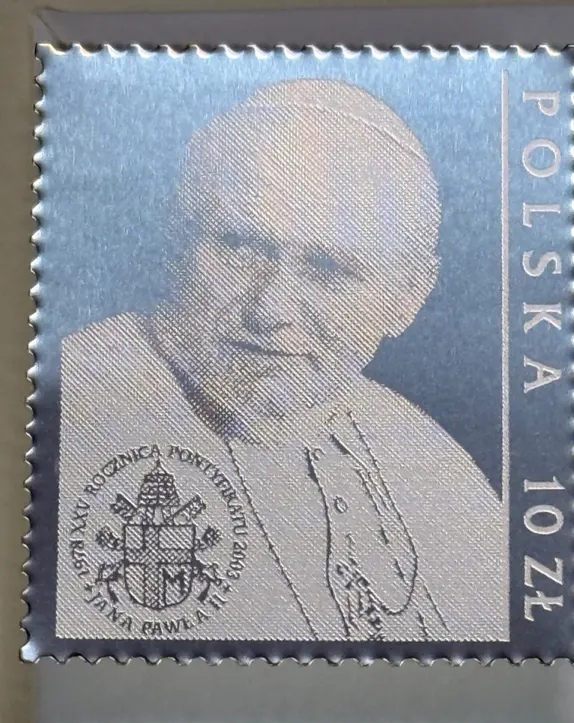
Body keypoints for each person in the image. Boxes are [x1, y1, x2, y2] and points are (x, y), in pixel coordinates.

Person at [57, 78, 507, 642]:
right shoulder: (69, 407)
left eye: (329, 270)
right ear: (177, 236)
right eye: (241, 248)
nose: (269, 310)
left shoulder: (431, 464)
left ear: (407, 297)